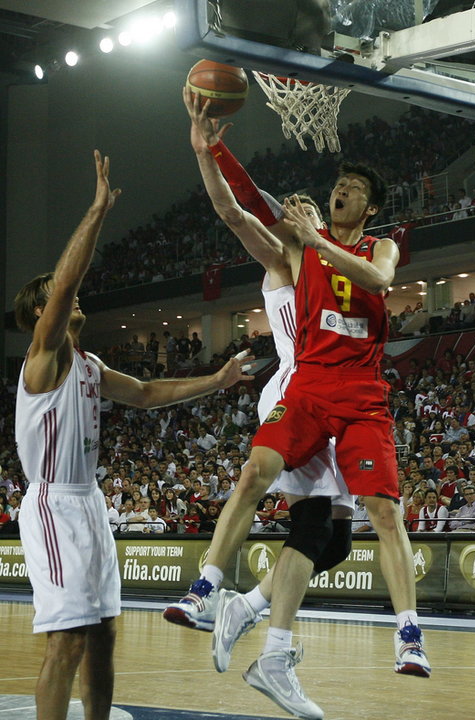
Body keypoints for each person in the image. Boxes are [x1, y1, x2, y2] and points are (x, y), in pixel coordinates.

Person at [166, 90, 430, 715]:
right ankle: (222, 598)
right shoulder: (289, 255)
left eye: (340, 191)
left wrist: (314, 233)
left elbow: (379, 277)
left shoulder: (366, 248)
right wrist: (211, 150)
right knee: (299, 513)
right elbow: (241, 208)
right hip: (298, 386)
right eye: (317, 194)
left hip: (355, 393)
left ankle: (258, 623)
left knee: (331, 538)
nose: (320, 200)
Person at [13, 150, 252, 720]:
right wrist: (96, 213)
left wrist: (216, 380)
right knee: (66, 640)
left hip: (90, 504)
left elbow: (146, 393)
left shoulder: (89, 364)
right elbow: (68, 279)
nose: (74, 298)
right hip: (52, 504)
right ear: (44, 311)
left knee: (103, 636)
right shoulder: (42, 357)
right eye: (61, 295)